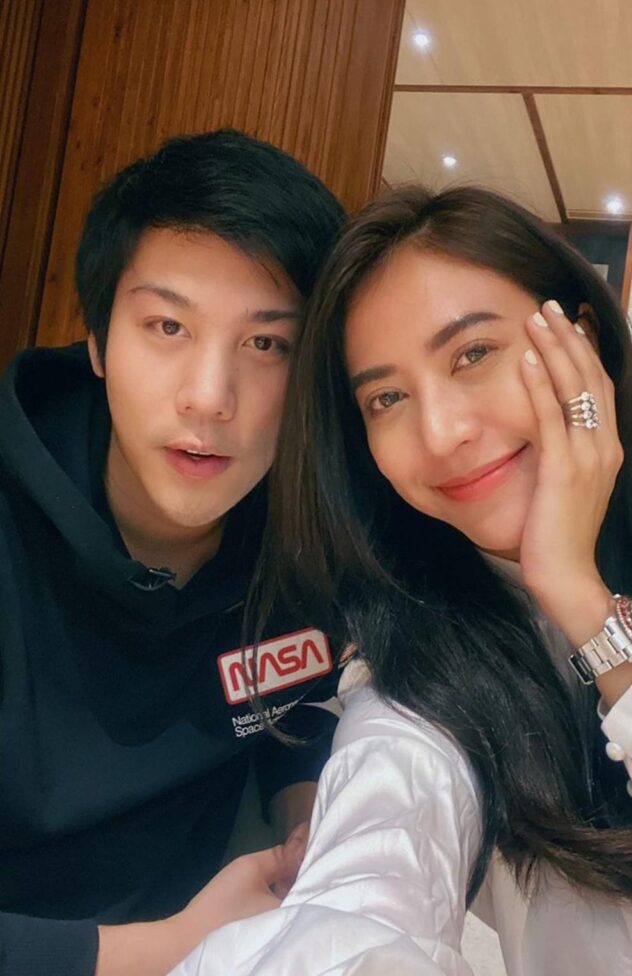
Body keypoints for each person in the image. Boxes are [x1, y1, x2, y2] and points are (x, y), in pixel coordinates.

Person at [174, 186, 632, 976]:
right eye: (386, 398)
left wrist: (582, 602)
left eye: (472, 354)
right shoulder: (415, 685)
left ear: (580, 340)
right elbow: (365, 894)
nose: (442, 432)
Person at [0, 129, 346, 976]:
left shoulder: (302, 542)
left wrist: (307, 820)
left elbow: (285, 695)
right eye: (167, 326)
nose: (209, 397)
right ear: (97, 340)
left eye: (266, 344)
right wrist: (167, 949)